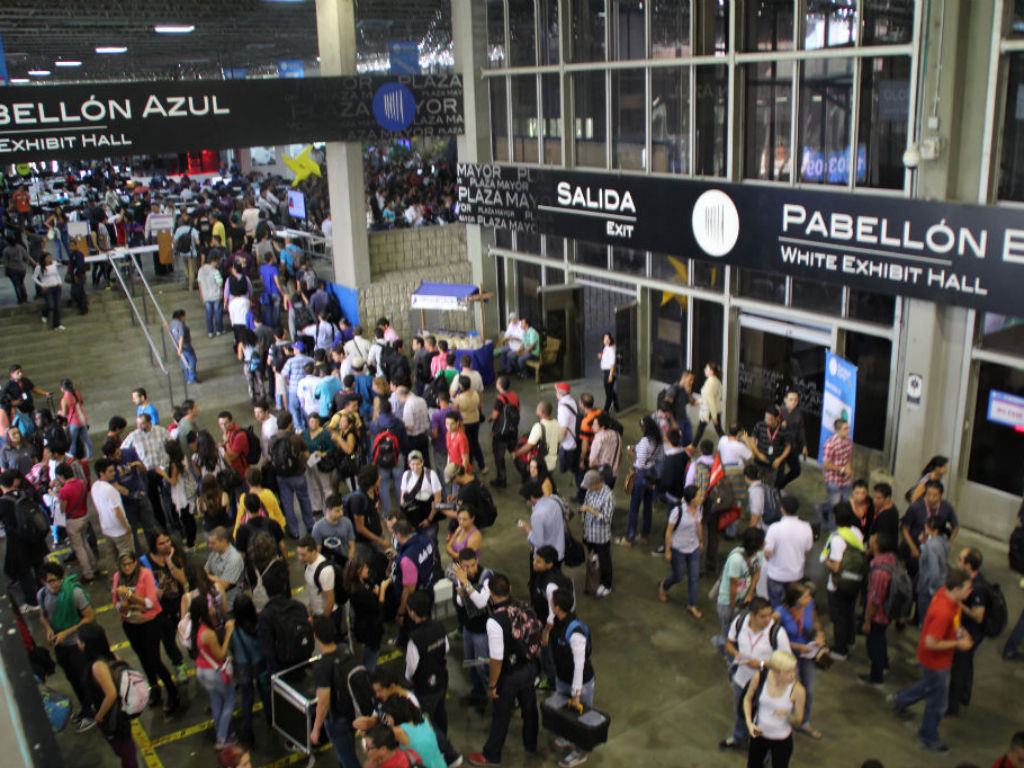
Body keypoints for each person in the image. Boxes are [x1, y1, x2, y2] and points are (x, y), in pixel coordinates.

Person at [890, 567, 976, 752]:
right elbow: (931, 642)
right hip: (936, 662)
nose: (971, 591)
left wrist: (959, 631)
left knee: (928, 686)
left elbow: (953, 622)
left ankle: (900, 700)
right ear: (955, 590)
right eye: (967, 588)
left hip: (935, 662)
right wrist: (957, 643)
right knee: (938, 703)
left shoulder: (947, 597)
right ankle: (928, 737)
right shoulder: (943, 611)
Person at [467, 573, 539, 767]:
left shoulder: (495, 621)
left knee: (501, 714)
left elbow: (496, 659)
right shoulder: (522, 607)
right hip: (530, 667)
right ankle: (531, 743)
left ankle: (491, 755)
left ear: (490, 594)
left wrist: (492, 685)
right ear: (510, 590)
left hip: (510, 674)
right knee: (529, 707)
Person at [720, 597, 792, 752]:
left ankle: (762, 751)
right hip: (742, 678)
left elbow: (787, 663)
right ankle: (739, 738)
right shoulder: (740, 623)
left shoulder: (777, 633)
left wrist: (760, 664)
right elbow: (728, 643)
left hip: (766, 683)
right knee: (741, 710)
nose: (768, 620)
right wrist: (736, 654)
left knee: (763, 718)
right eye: (763, 616)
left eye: (769, 615)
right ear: (752, 615)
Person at [111, 552, 179, 713]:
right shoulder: (117, 577)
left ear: (135, 563)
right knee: (142, 658)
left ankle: (172, 691)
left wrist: (129, 596)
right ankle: (154, 687)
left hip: (149, 623)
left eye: (129, 564)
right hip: (130, 624)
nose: (127, 568)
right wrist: (134, 605)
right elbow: (116, 604)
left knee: (154, 659)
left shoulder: (145, 575)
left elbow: (149, 602)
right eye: (123, 565)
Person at [37, 561, 96, 732]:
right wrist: (48, 629)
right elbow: (43, 615)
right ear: (43, 583)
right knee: (72, 677)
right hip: (60, 644)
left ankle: (92, 710)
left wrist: (66, 633)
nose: (55, 584)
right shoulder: (42, 595)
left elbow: (89, 617)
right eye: (51, 581)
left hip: (77, 642)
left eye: (57, 580)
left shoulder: (74, 593)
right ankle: (85, 707)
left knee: (84, 677)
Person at [309, 615, 376, 768]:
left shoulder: (322, 666)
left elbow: (323, 703)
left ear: (315, 637)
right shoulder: (344, 649)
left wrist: (316, 730)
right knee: (349, 750)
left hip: (337, 720)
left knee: (348, 759)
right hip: (352, 712)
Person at [78, 623, 140, 768]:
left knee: (126, 751)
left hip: (113, 716)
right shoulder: (110, 656)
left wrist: (99, 716)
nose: (77, 643)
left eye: (80, 640)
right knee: (126, 749)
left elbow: (110, 694)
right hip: (121, 711)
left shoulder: (98, 666)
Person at [550, 588, 597, 768]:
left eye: (552, 602)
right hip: (563, 678)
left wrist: (576, 693)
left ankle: (581, 751)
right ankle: (569, 736)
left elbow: (580, 664)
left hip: (580, 682)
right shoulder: (558, 621)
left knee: (582, 718)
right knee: (567, 714)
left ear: (558, 608)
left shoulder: (575, 632)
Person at [775, 582, 824, 739]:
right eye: (805, 596)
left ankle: (803, 721)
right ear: (795, 600)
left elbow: (815, 622)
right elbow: (772, 636)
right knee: (790, 691)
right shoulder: (780, 613)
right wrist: (795, 646)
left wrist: (820, 634)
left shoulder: (810, 606)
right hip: (790, 657)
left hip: (808, 655)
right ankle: (784, 721)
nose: (809, 598)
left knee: (808, 689)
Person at [405, 591, 453, 750]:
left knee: (427, 721)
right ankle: (444, 740)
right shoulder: (439, 626)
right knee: (441, 713)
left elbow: (411, 669)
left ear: (412, 612)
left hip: (424, 688)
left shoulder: (415, 638)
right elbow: (446, 648)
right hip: (441, 680)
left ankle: (441, 748)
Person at [742, 650, 806, 768]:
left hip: (781, 739)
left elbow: (799, 719)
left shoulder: (798, 690)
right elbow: (747, 699)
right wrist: (749, 723)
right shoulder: (760, 677)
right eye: (788, 672)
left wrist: (787, 715)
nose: (793, 675)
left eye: (794, 670)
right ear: (775, 671)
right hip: (759, 734)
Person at [189, 594, 237, 749]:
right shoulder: (208, 634)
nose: (211, 608)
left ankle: (221, 733)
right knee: (229, 700)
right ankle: (222, 738)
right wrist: (229, 632)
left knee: (216, 701)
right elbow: (221, 654)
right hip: (215, 672)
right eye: (209, 606)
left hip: (202, 671)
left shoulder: (194, 629)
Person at [139, 530, 188, 681]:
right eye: (162, 543)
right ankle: (179, 664)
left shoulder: (177, 555)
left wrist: (170, 562)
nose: (167, 545)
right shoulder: (144, 562)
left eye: (168, 541)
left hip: (179, 603)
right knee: (167, 639)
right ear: (154, 545)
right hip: (160, 608)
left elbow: (183, 581)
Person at [948, 547, 990, 717]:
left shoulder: (977, 588)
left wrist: (959, 604)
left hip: (971, 633)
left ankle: (953, 706)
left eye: (960, 559)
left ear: (969, 565)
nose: (957, 562)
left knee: (959, 668)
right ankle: (965, 695)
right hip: (967, 630)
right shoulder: (970, 580)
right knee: (967, 665)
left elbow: (979, 616)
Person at [821, 503, 865, 660]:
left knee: (839, 616)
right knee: (849, 612)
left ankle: (840, 650)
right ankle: (850, 641)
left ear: (835, 518)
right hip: (855, 581)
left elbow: (836, 566)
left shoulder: (837, 538)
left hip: (838, 584)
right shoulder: (857, 533)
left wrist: (825, 560)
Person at [714, 528, 765, 654]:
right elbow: (733, 586)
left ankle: (726, 647)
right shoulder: (736, 560)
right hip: (728, 602)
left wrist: (749, 594)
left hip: (744, 600)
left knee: (738, 631)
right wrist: (732, 608)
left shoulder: (758, 555)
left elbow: (756, 573)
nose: (765, 544)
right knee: (728, 633)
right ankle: (724, 649)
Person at [658, 485, 704, 618]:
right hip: (678, 548)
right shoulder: (677, 511)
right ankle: (664, 586)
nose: (701, 498)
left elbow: (699, 524)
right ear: (691, 499)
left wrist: (700, 541)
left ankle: (692, 604)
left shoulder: (699, 508)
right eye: (698, 496)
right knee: (678, 575)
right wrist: (667, 550)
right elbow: (669, 532)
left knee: (694, 577)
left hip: (693, 547)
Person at [861, 532, 900, 685]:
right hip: (888, 612)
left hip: (879, 615)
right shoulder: (891, 560)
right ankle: (884, 663)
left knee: (874, 644)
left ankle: (876, 675)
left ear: (876, 546)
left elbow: (875, 600)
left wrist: (867, 621)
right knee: (881, 639)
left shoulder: (879, 572)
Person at [763, 497, 813, 607]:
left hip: (776, 575)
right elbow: (808, 549)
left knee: (777, 607)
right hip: (796, 575)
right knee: (794, 605)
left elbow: (767, 553)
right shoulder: (806, 527)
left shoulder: (774, 528)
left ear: (782, 509)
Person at [619, 415, 659, 546]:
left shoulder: (644, 443)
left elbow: (639, 463)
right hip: (652, 473)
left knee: (634, 507)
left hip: (641, 475)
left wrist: (632, 454)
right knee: (647, 506)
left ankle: (629, 537)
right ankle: (644, 534)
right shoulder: (656, 440)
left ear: (644, 428)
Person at [90, 459, 135, 559]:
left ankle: (113, 574)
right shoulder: (110, 490)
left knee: (111, 557)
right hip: (120, 530)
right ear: (101, 473)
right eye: (110, 471)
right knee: (128, 556)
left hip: (107, 528)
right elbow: (117, 511)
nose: (113, 473)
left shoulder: (95, 486)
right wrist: (126, 526)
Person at [579, 469, 614, 597]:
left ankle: (607, 585)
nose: (588, 488)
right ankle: (596, 579)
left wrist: (591, 510)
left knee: (605, 561)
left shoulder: (608, 496)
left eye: (589, 486)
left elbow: (607, 518)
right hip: (590, 533)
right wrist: (584, 518)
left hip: (601, 536)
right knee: (594, 559)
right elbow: (585, 504)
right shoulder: (590, 491)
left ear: (596, 483)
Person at [818, 418, 854, 529]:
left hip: (845, 479)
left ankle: (824, 507)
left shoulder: (848, 441)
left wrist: (848, 466)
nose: (848, 430)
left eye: (848, 428)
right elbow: (826, 463)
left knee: (844, 503)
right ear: (838, 430)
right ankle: (833, 530)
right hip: (833, 479)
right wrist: (842, 469)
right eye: (845, 429)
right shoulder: (830, 444)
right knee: (836, 507)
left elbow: (849, 455)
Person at [518, 480, 566, 562]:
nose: (526, 502)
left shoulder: (537, 515)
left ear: (532, 497)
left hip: (545, 559)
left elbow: (538, 542)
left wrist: (527, 530)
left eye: (526, 499)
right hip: (559, 551)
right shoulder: (556, 500)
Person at [488, 375, 520, 489]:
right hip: (513, 430)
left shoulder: (500, 399)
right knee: (515, 451)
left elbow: (496, 415)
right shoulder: (514, 396)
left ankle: (502, 479)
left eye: (497, 383)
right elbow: (518, 410)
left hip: (501, 433)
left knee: (499, 456)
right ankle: (524, 472)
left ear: (500, 386)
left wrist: (490, 418)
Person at [205, 526, 245, 612]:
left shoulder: (234, 558)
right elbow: (206, 570)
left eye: (213, 543)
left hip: (230, 604)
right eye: (209, 543)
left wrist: (207, 576)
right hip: (216, 600)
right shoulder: (214, 553)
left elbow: (224, 585)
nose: (209, 546)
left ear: (223, 541)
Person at [917, 515, 950, 620]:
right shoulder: (944, 542)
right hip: (941, 584)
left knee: (927, 619)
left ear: (935, 531)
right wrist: (924, 545)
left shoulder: (932, 545)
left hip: (928, 589)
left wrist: (932, 589)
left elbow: (934, 572)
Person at [747, 406, 789, 487]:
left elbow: (788, 447)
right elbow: (752, 441)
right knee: (756, 482)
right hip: (759, 461)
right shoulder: (759, 425)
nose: (767, 421)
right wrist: (759, 454)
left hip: (773, 463)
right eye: (766, 418)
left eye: (770, 419)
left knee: (769, 485)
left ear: (777, 418)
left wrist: (779, 459)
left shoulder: (783, 430)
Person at [775, 390, 807, 490]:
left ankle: (780, 486)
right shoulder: (778, 412)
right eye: (791, 399)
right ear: (785, 400)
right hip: (779, 447)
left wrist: (804, 446)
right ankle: (776, 488)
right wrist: (780, 426)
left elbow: (801, 430)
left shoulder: (798, 414)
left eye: (795, 400)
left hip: (792, 446)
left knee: (796, 471)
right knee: (779, 470)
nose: (793, 402)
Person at [692, 362, 723, 448]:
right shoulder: (712, 380)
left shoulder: (712, 382)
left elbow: (711, 400)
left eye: (707, 368)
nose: (705, 370)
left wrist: (714, 416)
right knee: (717, 430)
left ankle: (693, 446)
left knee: (701, 429)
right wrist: (698, 401)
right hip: (711, 410)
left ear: (712, 371)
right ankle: (693, 445)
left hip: (710, 410)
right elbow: (707, 397)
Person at [33, 252, 65, 331]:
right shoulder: (39, 267)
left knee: (57, 307)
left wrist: (60, 282)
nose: (49, 259)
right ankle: (44, 313)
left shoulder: (53, 264)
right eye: (47, 258)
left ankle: (57, 325)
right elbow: (34, 277)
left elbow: (56, 274)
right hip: (48, 288)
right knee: (51, 305)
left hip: (56, 286)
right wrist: (42, 285)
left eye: (50, 258)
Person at [166, 309, 198, 384]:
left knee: (184, 361)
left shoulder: (172, 323)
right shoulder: (180, 324)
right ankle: (191, 378)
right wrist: (180, 348)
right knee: (192, 360)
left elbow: (171, 331)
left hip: (177, 345)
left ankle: (188, 377)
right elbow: (181, 336)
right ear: (181, 316)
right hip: (184, 346)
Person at [598, 332, 618, 413]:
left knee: (608, 393)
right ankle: (617, 406)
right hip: (606, 372)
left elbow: (612, 364)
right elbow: (607, 357)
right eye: (605, 339)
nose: (607, 340)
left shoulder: (611, 349)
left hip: (609, 372)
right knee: (610, 391)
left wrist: (610, 375)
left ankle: (605, 410)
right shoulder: (605, 348)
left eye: (608, 339)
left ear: (610, 339)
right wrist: (601, 356)